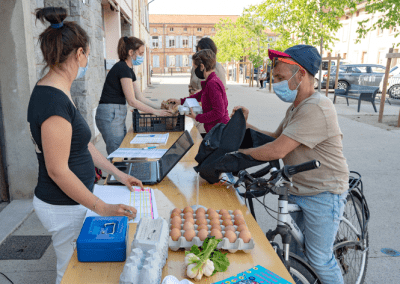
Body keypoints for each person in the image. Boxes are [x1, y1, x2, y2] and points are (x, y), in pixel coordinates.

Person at [28, 7, 143, 284]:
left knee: (79, 269)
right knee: (71, 273)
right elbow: (57, 170)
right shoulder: (53, 103)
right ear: (79, 54)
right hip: (62, 205)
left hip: (74, 200)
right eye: (88, 54)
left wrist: (118, 173)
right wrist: (100, 206)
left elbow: (83, 146)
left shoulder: (59, 91)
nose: (87, 60)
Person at [232, 45, 349, 284]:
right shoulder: (296, 106)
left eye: (280, 78)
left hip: (323, 192)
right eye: (274, 78)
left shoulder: (317, 106)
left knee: (318, 259)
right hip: (298, 187)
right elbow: (275, 139)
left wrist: (236, 155)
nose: (275, 83)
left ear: (301, 74)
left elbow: (277, 150)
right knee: (295, 255)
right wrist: (246, 124)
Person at [96, 36, 171, 155]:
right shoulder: (122, 68)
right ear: (131, 52)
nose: (142, 57)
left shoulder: (129, 70)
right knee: (118, 154)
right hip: (110, 113)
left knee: (123, 149)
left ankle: (119, 173)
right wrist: (154, 112)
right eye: (140, 53)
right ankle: (115, 173)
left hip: (116, 113)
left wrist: (159, 107)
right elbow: (132, 101)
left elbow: (140, 97)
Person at [168, 49, 230, 137]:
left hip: (219, 132)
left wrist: (198, 117)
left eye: (195, 67)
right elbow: (199, 96)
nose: (194, 70)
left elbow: (219, 112)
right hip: (216, 130)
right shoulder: (211, 81)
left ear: (202, 67)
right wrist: (180, 101)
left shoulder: (212, 84)